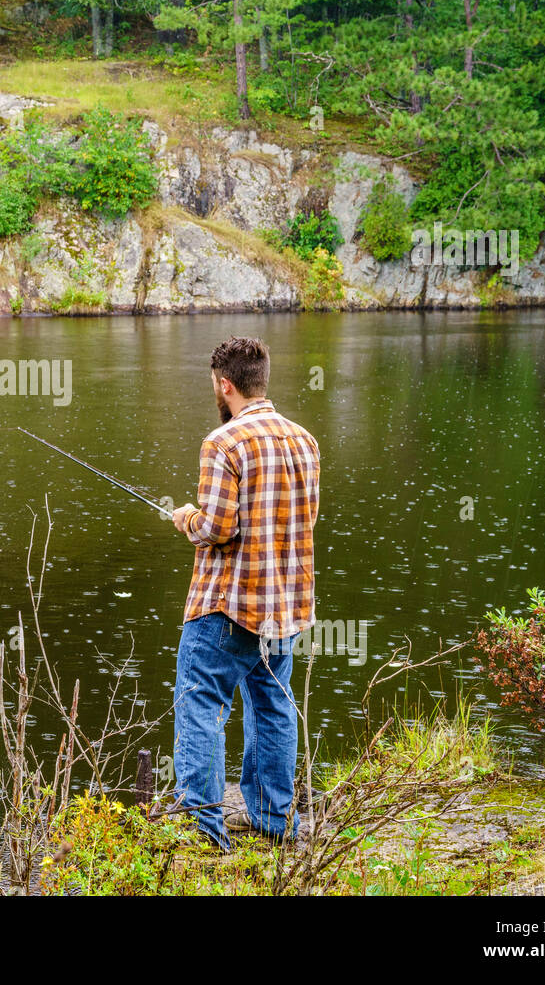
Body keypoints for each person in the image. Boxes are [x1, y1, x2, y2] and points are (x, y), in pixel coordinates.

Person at [170, 335, 320, 849]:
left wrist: (186, 518)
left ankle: (203, 830)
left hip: (226, 607)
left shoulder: (224, 442)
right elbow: (305, 521)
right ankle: (276, 824)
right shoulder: (305, 440)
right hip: (285, 608)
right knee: (274, 707)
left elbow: (217, 527)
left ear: (225, 384)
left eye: (215, 383)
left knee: (201, 706)